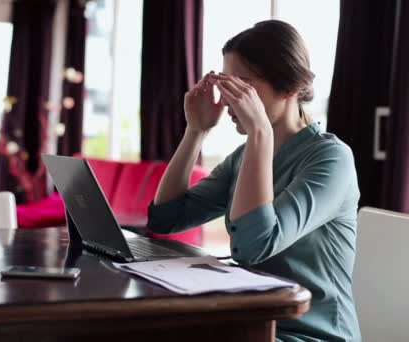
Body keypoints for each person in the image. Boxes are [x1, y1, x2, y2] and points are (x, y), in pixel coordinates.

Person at [147, 20, 360, 342]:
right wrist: (196, 131)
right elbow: (167, 218)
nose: (230, 99)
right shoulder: (244, 155)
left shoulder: (331, 158)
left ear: (290, 88)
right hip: (254, 321)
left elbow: (254, 247)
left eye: (243, 86)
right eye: (227, 85)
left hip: (308, 334)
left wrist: (260, 131)